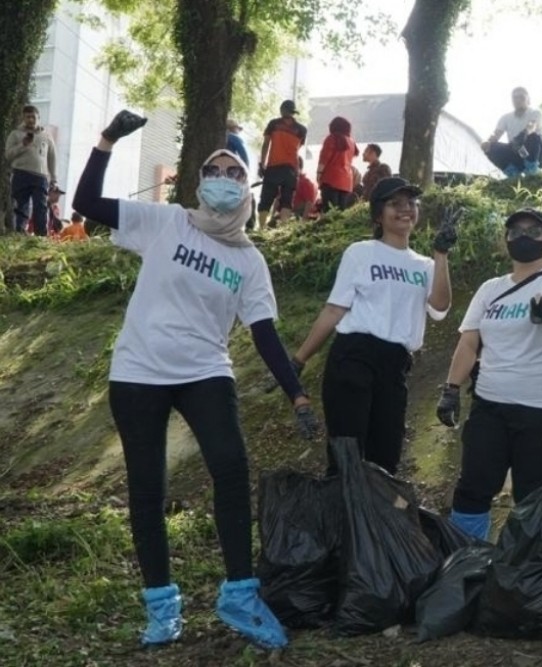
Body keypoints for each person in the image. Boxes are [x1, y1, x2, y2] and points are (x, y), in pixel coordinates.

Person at [72, 109, 320, 649]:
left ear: (246, 185)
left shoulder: (250, 261)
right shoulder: (168, 222)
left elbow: (264, 335)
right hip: (138, 372)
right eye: (214, 169)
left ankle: (239, 595)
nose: (224, 178)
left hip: (205, 371)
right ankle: (161, 608)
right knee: (147, 489)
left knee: (231, 468)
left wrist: (297, 393)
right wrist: (108, 140)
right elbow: (85, 206)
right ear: (200, 181)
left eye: (235, 171)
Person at [288, 177, 457, 477]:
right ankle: (341, 520)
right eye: (395, 204)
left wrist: (441, 255)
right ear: (378, 214)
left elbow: (440, 308)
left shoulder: (425, 266)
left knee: (386, 459)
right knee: (347, 454)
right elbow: (334, 309)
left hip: (396, 365)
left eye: (411, 203)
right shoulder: (361, 252)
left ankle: (374, 521)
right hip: (354, 356)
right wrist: (299, 359)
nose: (405, 209)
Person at [436, 208, 542, 541]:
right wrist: (451, 388)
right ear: (505, 240)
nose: (524, 237)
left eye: (534, 231)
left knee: (532, 492)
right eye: (516, 231)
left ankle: (526, 570)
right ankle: (466, 556)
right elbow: (469, 343)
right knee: (473, 485)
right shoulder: (490, 289)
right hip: (490, 404)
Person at [5, 104, 58, 235]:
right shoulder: (15, 134)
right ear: (23, 118)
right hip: (20, 174)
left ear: (38, 117)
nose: (30, 120)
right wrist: (23, 144)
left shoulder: (46, 136)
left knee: (40, 207)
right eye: (27, 117)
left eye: (33, 117)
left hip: (41, 176)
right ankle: (19, 234)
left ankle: (41, 237)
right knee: (20, 206)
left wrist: (54, 179)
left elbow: (52, 157)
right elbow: (8, 155)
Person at [481, 87, 542, 178]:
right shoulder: (505, 118)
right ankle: (513, 174)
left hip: (537, 154)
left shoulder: (535, 112)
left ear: (528, 99)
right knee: (491, 147)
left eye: (521, 97)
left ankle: (532, 171)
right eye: (515, 97)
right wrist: (488, 142)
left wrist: (523, 135)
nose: (518, 100)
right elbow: (496, 134)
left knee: (532, 136)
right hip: (518, 153)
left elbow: (531, 125)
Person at [258, 100, 307, 226]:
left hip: (273, 166)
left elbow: (265, 145)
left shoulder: (273, 124)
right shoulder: (301, 130)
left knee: (266, 199)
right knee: (287, 199)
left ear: (282, 110)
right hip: (291, 168)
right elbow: (298, 147)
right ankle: (283, 228)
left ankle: (262, 228)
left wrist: (262, 164)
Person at [317, 116, 359, 212]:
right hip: (346, 182)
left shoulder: (332, 138)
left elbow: (324, 159)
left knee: (329, 211)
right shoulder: (351, 142)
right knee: (341, 212)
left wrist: (319, 174)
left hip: (331, 179)